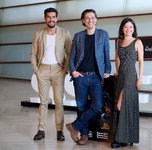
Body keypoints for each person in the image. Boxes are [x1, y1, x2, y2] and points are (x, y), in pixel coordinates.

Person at [66, 9, 111, 145]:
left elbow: (106, 54)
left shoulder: (103, 34)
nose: (90, 20)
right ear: (83, 21)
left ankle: (74, 126)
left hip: (96, 77)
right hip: (80, 76)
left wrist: (107, 70)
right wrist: (73, 71)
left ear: (96, 19)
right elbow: (72, 57)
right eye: (87, 18)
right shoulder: (78, 36)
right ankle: (84, 135)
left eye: (92, 17)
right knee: (81, 106)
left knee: (97, 105)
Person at [30, 7, 72, 141]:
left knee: (59, 102)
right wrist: (36, 70)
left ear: (57, 18)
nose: (51, 19)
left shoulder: (65, 33)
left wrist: (66, 69)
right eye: (48, 17)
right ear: (45, 18)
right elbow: (33, 54)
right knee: (43, 102)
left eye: (53, 17)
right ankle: (41, 130)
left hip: (58, 70)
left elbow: (70, 53)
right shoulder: (38, 34)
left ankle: (59, 131)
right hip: (42, 70)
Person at [111, 18, 144, 148]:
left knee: (121, 104)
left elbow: (141, 61)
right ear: (122, 29)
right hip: (122, 76)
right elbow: (117, 57)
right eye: (126, 27)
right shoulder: (119, 42)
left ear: (134, 29)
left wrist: (140, 78)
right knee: (123, 107)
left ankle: (120, 138)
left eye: (130, 27)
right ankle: (124, 138)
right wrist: (118, 71)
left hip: (131, 76)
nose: (128, 29)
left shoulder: (137, 42)